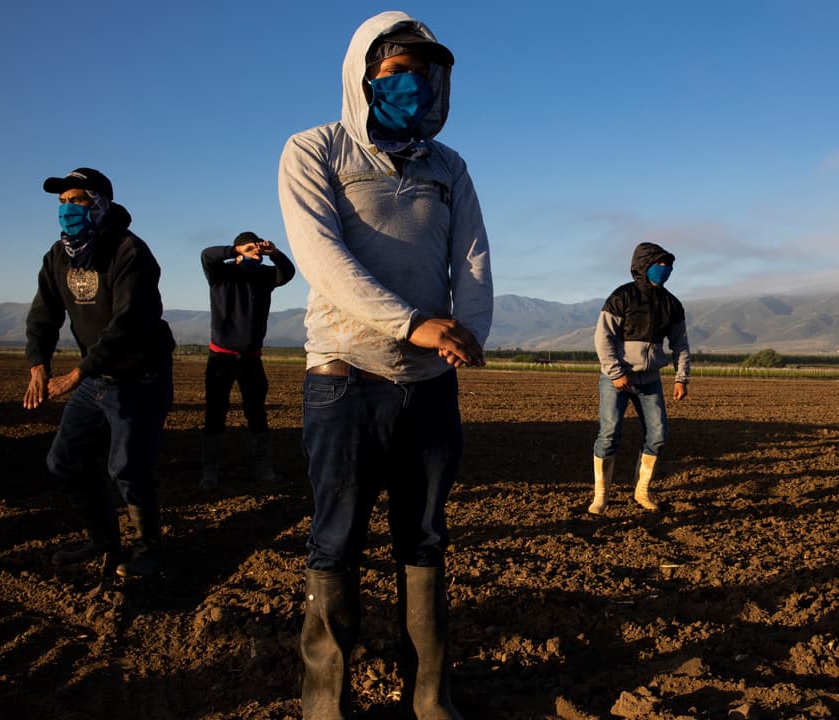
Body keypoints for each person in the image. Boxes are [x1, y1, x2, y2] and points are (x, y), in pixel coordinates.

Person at [278, 11, 491, 720]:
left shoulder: (448, 166)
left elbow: (473, 260)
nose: (410, 82)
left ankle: (430, 696)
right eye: (394, 69)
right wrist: (412, 323)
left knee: (424, 535)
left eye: (422, 71)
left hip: (431, 383)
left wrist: (470, 330)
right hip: (344, 376)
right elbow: (322, 260)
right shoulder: (314, 150)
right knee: (335, 534)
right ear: (363, 73)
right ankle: (324, 701)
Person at [24, 167, 175, 580]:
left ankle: (149, 548)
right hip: (96, 378)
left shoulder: (129, 251)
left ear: (100, 203)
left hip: (140, 376)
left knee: (128, 466)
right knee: (65, 459)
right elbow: (43, 314)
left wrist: (75, 374)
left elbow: (128, 324)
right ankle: (104, 537)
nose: (67, 209)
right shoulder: (58, 256)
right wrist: (38, 363)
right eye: (61, 202)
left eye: (77, 200)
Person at [589, 242, 692, 514]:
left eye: (668, 264)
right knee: (609, 434)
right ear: (643, 265)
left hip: (650, 381)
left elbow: (680, 344)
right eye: (659, 264)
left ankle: (641, 490)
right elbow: (603, 337)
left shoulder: (672, 304)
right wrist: (616, 372)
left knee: (658, 434)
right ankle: (601, 496)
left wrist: (681, 378)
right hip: (617, 381)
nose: (665, 269)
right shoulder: (621, 297)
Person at [199, 231, 296, 490]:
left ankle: (264, 470)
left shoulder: (265, 277)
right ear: (239, 251)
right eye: (249, 249)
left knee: (256, 413)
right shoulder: (221, 274)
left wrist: (273, 253)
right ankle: (210, 472)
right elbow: (207, 255)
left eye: (257, 250)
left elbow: (287, 273)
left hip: (251, 359)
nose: (255, 253)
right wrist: (236, 251)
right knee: (215, 413)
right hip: (221, 357)